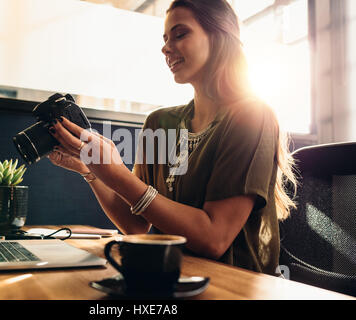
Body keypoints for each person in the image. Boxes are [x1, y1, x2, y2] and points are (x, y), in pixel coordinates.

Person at [47, 0, 297, 276]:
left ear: (219, 37)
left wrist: (117, 174)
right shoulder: (160, 123)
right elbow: (136, 225)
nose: (166, 48)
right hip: (172, 276)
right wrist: (90, 170)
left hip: (233, 284)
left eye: (180, 34)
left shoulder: (251, 116)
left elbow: (214, 238)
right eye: (165, 39)